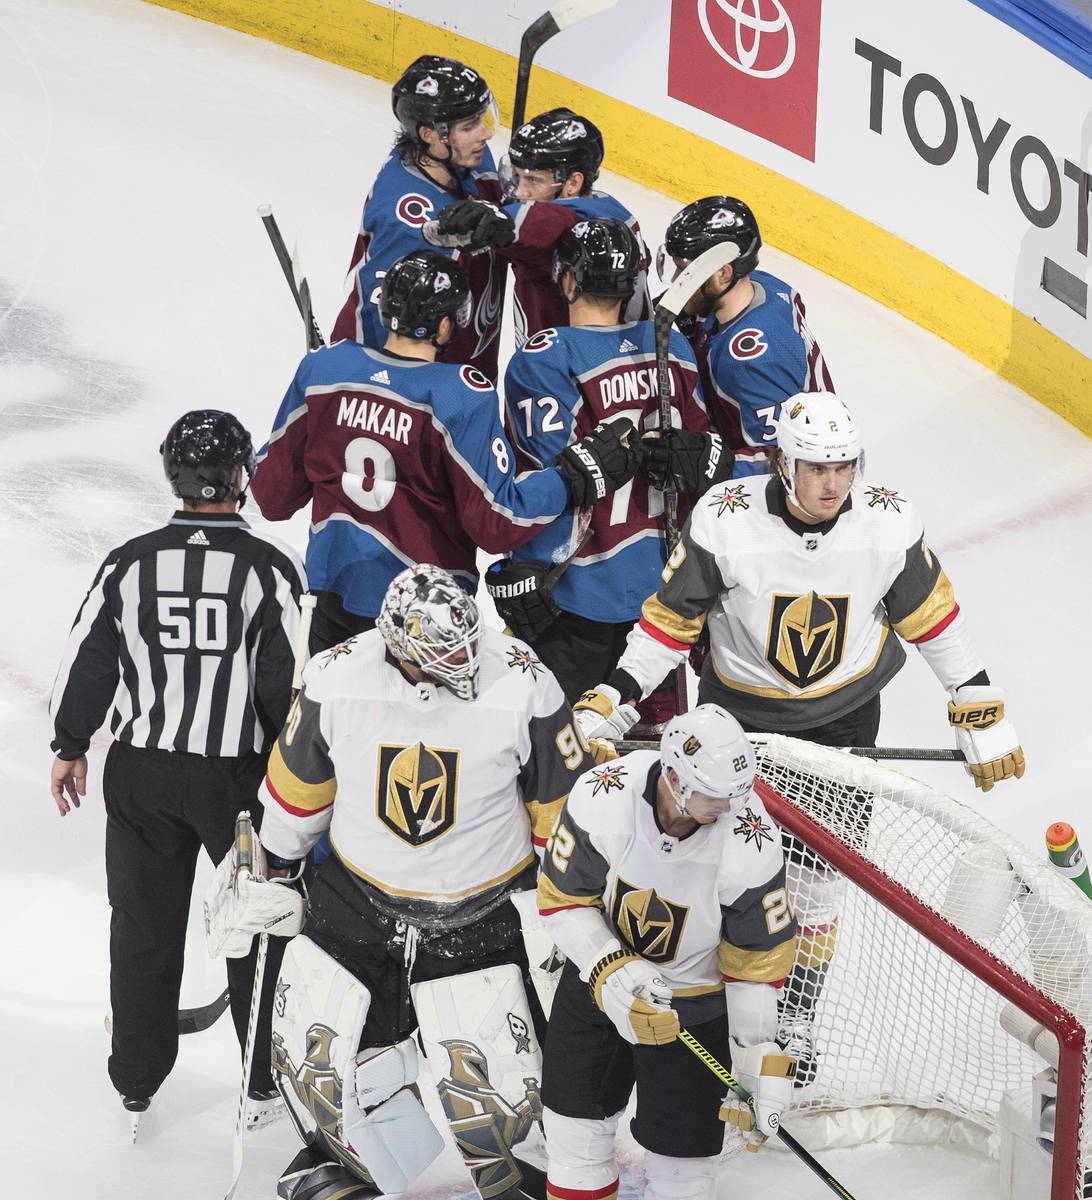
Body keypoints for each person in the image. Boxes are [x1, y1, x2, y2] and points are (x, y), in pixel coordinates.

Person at [571, 391, 1025, 1076]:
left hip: (845, 722)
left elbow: (932, 616)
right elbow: (671, 623)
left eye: (844, 467)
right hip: (737, 726)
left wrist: (977, 699)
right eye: (816, 467)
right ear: (782, 463)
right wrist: (618, 696)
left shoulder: (886, 523)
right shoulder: (726, 522)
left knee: (815, 891)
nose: (833, 484)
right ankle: (723, 996)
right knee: (720, 867)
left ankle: (798, 1015)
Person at [248, 563, 594, 1200]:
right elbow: (297, 794)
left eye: (465, 650)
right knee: (334, 1064)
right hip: (358, 900)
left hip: (487, 909)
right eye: (442, 658)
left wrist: (571, 904)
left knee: (500, 1084)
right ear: (397, 644)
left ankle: (521, 1177)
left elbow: (562, 812)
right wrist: (274, 865)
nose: (461, 667)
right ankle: (362, 1172)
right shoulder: (336, 676)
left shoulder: (523, 679)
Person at [48, 410, 306, 1134]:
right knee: (256, 927)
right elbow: (289, 683)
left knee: (142, 928)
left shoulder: (129, 560)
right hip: (238, 784)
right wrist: (297, 777)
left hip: (140, 777)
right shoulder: (270, 564)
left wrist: (71, 745)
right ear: (240, 475)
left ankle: (135, 1079)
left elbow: (89, 658)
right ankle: (262, 1081)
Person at [251, 249, 643, 653]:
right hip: (428, 618)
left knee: (333, 715)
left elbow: (272, 497)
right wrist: (572, 475)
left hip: (330, 597)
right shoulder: (458, 394)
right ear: (443, 325)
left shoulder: (325, 371)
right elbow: (497, 520)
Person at [536, 704, 798, 1200]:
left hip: (693, 1008)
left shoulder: (751, 843)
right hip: (597, 988)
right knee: (574, 1145)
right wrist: (614, 972)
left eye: (737, 794)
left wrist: (758, 1056)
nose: (729, 808)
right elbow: (562, 901)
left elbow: (754, 965)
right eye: (714, 795)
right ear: (675, 778)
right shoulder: (602, 796)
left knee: (685, 1177)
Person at [485, 218, 724, 711]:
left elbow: (551, 477)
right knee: (653, 756)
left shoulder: (545, 357)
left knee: (562, 752)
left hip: (576, 593)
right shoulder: (672, 347)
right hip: (662, 597)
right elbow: (705, 453)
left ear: (568, 280)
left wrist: (524, 564)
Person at [330, 55, 508, 380]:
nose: (486, 133)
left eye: (483, 117)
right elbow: (385, 314)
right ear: (429, 135)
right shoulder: (405, 219)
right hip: (413, 379)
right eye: (470, 125)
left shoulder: (467, 155)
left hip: (468, 358)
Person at [424, 107, 650, 345]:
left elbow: (542, 222)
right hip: (620, 363)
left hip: (569, 370)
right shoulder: (610, 209)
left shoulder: (573, 230)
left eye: (533, 180)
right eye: (518, 176)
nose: (520, 191)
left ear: (573, 182)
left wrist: (500, 221)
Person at [658, 196, 833, 477]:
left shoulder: (751, 365)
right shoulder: (764, 284)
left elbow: (785, 466)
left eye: (685, 268)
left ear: (724, 273)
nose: (678, 277)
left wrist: (706, 463)